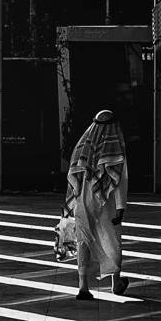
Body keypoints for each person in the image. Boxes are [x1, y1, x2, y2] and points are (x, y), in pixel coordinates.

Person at [65, 108, 130, 300]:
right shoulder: (115, 148)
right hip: (107, 204)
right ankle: (115, 283)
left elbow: (72, 176)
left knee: (84, 241)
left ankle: (83, 286)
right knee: (112, 241)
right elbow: (120, 180)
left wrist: (73, 202)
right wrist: (121, 207)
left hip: (82, 203)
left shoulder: (81, 148)